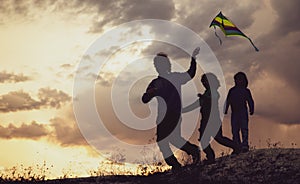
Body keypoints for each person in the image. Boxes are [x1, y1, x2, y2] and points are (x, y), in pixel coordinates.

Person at [142, 47, 200, 170]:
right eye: (156, 64)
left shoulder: (175, 77)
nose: (158, 66)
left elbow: (190, 74)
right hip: (162, 116)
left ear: (167, 65)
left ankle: (182, 160)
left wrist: (193, 59)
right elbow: (144, 99)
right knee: (170, 140)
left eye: (161, 64)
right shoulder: (155, 83)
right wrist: (149, 93)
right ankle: (188, 155)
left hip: (174, 114)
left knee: (167, 140)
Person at [182, 73, 240, 164]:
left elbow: (213, 98)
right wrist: (183, 110)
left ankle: (236, 147)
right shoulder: (206, 93)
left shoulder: (213, 91)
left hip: (213, 120)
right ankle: (211, 156)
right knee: (204, 140)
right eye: (203, 82)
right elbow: (196, 104)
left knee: (218, 138)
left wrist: (203, 97)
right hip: (205, 120)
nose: (204, 83)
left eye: (206, 81)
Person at [224, 72, 254, 153]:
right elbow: (228, 101)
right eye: (237, 79)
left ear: (244, 80)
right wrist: (225, 109)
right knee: (235, 130)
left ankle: (244, 145)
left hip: (243, 112)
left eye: (240, 79)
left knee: (244, 129)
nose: (238, 81)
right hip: (234, 113)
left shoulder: (246, 91)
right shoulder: (232, 90)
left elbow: (250, 100)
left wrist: (252, 109)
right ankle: (237, 146)